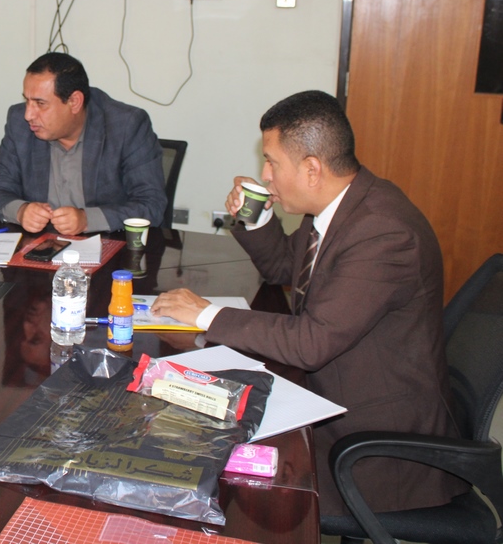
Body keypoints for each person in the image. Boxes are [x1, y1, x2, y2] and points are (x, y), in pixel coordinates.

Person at [151, 90, 465, 516]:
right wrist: (257, 217)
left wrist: (206, 313)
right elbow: (286, 268)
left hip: (374, 447)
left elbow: (310, 342)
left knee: (222, 482)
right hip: (331, 397)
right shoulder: (341, 206)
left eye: (272, 163)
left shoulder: (382, 232)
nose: (265, 176)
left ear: (312, 169)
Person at [0, 52, 166, 235]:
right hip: (40, 245)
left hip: (107, 243)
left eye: (40, 103)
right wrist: (21, 211)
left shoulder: (126, 125)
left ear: (74, 102)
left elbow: (151, 204)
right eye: (27, 100)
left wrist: (87, 220)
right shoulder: (19, 122)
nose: (28, 115)